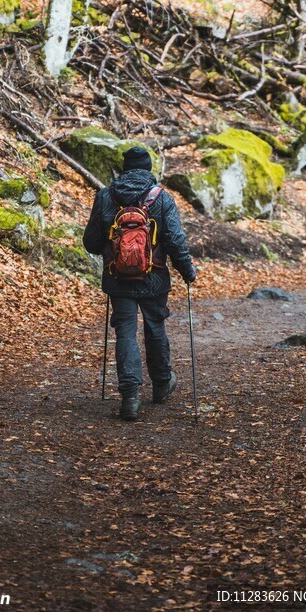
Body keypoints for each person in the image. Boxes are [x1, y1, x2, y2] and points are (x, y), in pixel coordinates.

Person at [83, 145, 196, 422]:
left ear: (125, 169)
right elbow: (174, 239)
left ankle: (130, 396)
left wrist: (115, 249)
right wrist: (187, 270)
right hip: (154, 276)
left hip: (117, 276)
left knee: (125, 331)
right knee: (155, 327)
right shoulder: (161, 198)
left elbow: (91, 242)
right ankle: (161, 385)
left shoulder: (106, 196)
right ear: (148, 169)